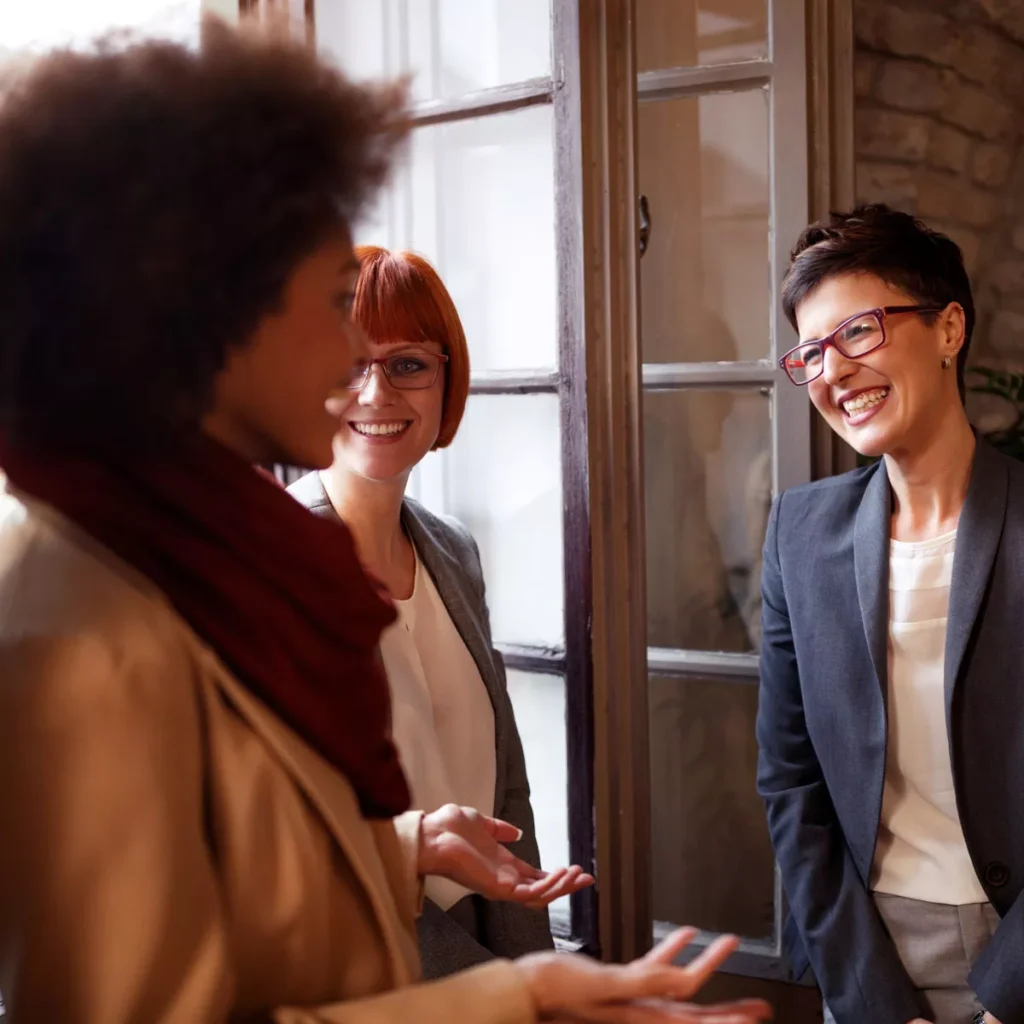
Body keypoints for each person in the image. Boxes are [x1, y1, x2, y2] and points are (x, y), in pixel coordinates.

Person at [0, 18, 773, 1024]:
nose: (352, 367)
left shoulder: (197, 550)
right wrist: (519, 995)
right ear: (201, 305)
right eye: (331, 306)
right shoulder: (83, 620)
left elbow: (231, 868)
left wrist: (405, 847)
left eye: (406, 357)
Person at [756, 204, 1024, 1024]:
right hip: (870, 953)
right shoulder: (799, 532)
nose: (831, 372)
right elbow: (791, 781)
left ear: (949, 329)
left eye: (859, 332)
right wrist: (872, 999)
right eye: (809, 353)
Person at [288, 246, 553, 977]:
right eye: (347, 367)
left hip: (487, 942)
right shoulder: (272, 567)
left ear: (445, 382)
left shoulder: (453, 551)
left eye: (407, 364)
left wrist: (532, 973)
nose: (376, 393)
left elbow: (508, 790)